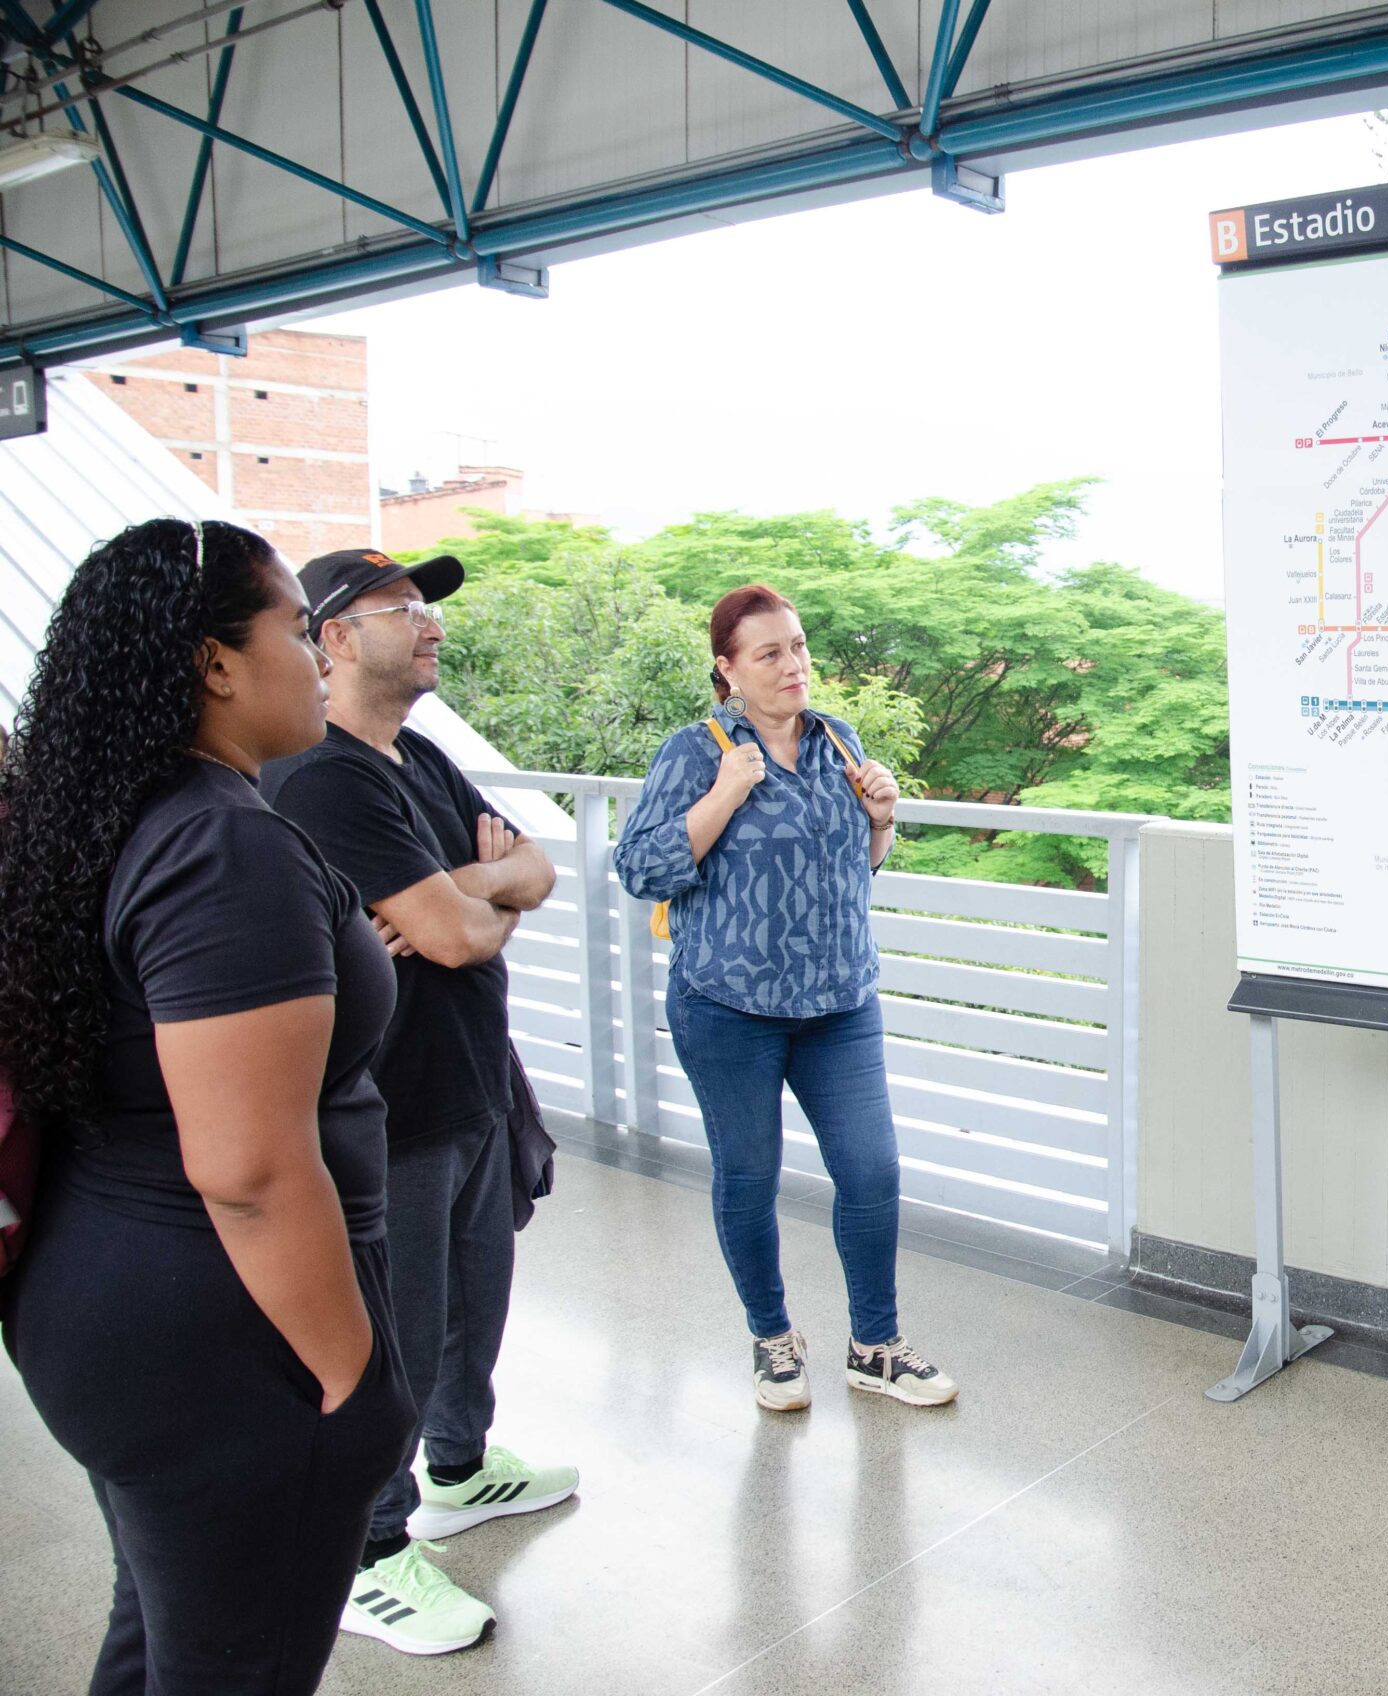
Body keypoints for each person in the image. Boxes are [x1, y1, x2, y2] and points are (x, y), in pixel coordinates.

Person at [0, 518, 417, 1694]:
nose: (319, 654)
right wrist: (351, 1376)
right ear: (215, 663)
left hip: (107, 1300)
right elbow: (247, 1166)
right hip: (221, 1339)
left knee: (164, 1638)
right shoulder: (225, 846)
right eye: (296, 626)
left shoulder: (97, 815)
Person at [261, 548, 578, 1657]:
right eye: (404, 610)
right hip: (384, 1100)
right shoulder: (320, 775)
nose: (429, 625)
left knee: (468, 1302)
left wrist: (467, 886)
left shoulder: (423, 758)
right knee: (387, 1330)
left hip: (470, 1079)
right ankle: (369, 1549)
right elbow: (448, 933)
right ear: (336, 637)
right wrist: (461, 896)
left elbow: (532, 870)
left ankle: (460, 1463)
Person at [615, 584, 957, 1412]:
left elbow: (850, 876)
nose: (793, 664)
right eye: (769, 653)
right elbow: (638, 869)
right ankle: (772, 1338)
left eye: (797, 646)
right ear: (727, 671)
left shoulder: (840, 739)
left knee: (872, 1171)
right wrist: (726, 793)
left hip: (839, 1002)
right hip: (727, 1006)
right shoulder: (694, 752)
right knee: (749, 1174)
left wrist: (881, 822)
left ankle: (875, 1346)